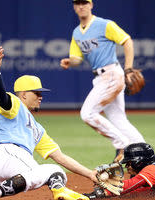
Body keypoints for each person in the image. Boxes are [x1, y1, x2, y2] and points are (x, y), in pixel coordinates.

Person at [0, 42, 98, 200]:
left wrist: (90, 174)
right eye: (37, 92)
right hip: (8, 153)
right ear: (23, 95)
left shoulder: (38, 130)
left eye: (41, 93)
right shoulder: (15, 105)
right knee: (52, 172)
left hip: (14, 167)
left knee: (53, 172)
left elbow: (60, 157)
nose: (40, 96)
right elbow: (2, 97)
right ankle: (60, 191)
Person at [60, 0, 145, 161]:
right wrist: (69, 61)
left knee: (87, 114)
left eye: (84, 2)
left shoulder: (105, 25)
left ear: (91, 5)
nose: (81, 6)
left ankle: (122, 144)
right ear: (74, 7)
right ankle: (150, 158)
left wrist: (128, 68)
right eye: (77, 3)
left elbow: (127, 41)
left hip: (112, 73)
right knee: (119, 120)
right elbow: (77, 59)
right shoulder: (77, 32)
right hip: (100, 78)